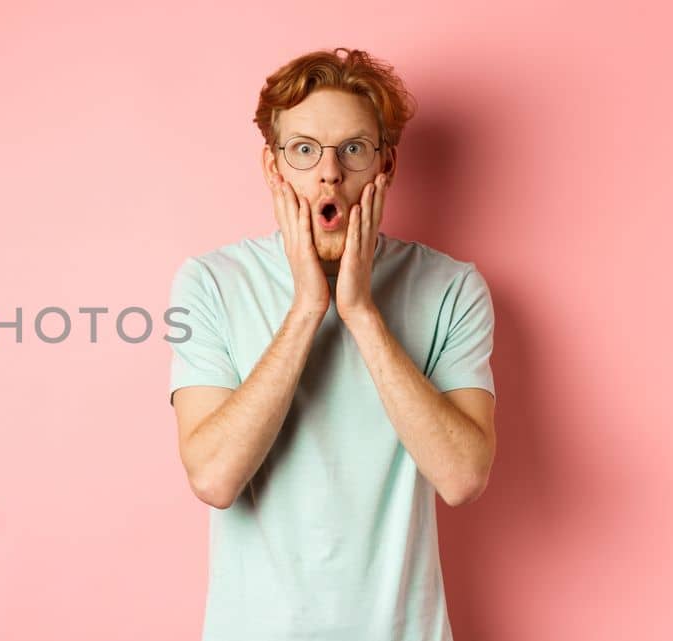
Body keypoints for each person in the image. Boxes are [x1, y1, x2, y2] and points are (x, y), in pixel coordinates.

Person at [167, 48, 498, 641]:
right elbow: (214, 478)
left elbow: (463, 477)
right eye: (303, 150)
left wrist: (361, 312)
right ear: (274, 168)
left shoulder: (452, 288)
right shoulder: (211, 282)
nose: (329, 174)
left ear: (386, 165)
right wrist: (307, 309)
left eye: (353, 149)